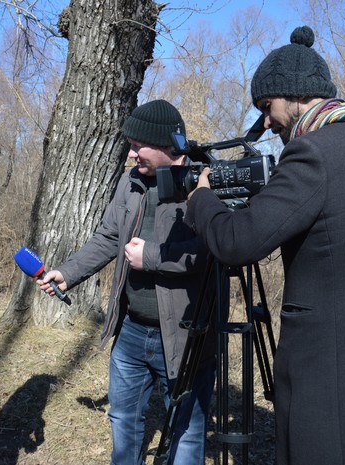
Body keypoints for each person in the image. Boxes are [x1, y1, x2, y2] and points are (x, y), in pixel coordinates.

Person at [185, 26, 345, 465]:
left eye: (267, 107)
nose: (266, 121)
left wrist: (201, 199)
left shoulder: (311, 155)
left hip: (325, 379)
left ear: (296, 95)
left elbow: (235, 242)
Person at [37, 99, 221, 465]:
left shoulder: (204, 184)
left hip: (186, 337)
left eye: (139, 145)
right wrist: (68, 272)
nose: (131, 153)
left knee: (186, 435)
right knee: (124, 422)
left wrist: (151, 256)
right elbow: (108, 237)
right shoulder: (131, 181)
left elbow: (214, 250)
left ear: (169, 147)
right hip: (132, 332)